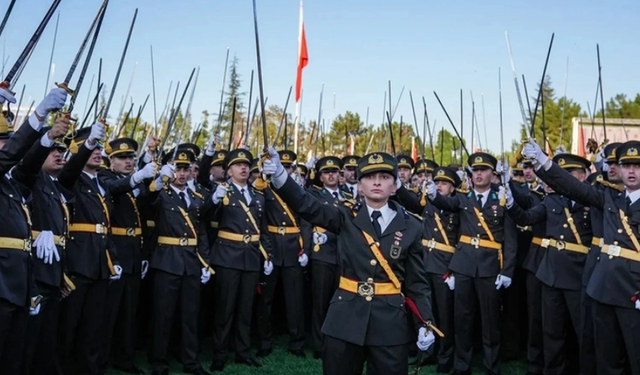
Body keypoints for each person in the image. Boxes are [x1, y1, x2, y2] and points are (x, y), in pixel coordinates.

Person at [264, 149, 437, 375]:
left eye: (384, 177)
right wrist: (280, 176)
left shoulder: (412, 226)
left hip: (389, 322)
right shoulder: (345, 216)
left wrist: (426, 322)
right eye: (369, 177)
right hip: (345, 318)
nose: (376, 182)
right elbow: (307, 205)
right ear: (359, 185)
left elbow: (417, 283)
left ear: (395, 186)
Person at [522, 138, 640, 374]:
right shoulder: (610, 197)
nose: (631, 171)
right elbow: (571, 186)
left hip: (633, 290)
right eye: (626, 166)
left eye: (637, 166)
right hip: (604, 288)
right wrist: (543, 161)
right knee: (607, 359)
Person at [426, 152, 517, 375]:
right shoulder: (463, 198)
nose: (478, 174)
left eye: (483, 170)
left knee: (490, 321)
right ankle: (461, 365)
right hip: (464, 266)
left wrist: (507, 271)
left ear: (491, 174)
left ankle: (491, 365)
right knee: (462, 319)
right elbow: (445, 202)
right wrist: (432, 195)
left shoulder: (502, 198)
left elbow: (511, 241)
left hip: (489, 267)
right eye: (475, 170)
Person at [0, 87, 67, 374]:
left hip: (17, 283)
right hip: (2, 282)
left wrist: (48, 136)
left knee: (14, 357)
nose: (7, 147)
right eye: (3, 142)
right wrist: (38, 114)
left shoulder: (10, 184)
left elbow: (25, 166)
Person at [506, 153, 593, 374]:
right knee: (551, 330)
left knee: (583, 331)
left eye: (569, 175)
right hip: (551, 273)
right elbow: (527, 218)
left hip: (579, 274)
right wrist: (510, 205)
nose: (561, 180)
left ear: (583, 177)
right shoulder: (552, 200)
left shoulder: (593, 200)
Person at [57, 120, 124, 375]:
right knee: (69, 324)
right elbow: (70, 170)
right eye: (92, 148)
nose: (98, 152)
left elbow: (105, 225)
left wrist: (113, 258)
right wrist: (88, 144)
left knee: (93, 325)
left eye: (99, 148)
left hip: (99, 261)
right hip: (78, 260)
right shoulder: (71, 178)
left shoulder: (101, 184)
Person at [141, 146, 211, 375]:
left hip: (190, 262)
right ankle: (159, 361)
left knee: (190, 315)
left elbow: (200, 233)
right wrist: (156, 183)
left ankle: (191, 360)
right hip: (166, 261)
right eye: (178, 169)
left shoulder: (196, 197)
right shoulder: (161, 193)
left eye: (186, 169)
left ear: (192, 171)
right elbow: (145, 203)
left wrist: (205, 263)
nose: (182, 174)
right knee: (163, 314)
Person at [12, 117, 72, 375]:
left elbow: (74, 170)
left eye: (61, 150)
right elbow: (27, 168)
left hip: (53, 265)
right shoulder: (31, 177)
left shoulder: (54, 185)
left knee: (46, 333)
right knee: (27, 336)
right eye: (52, 150)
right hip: (34, 265)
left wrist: (90, 143)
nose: (58, 154)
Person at [209, 149, 274, 372]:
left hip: (251, 257)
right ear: (229, 170)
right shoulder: (222, 192)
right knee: (225, 309)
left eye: (246, 165)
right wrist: (215, 199)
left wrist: (268, 254)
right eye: (238, 165)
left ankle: (242, 352)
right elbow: (206, 216)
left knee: (246, 309)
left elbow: (262, 228)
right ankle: (220, 354)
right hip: (228, 256)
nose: (244, 168)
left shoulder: (257, 195)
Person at [98, 137, 156, 373]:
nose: (129, 161)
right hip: (115, 252)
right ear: (111, 161)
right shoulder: (105, 177)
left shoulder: (134, 182)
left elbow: (144, 204)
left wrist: (156, 182)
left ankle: (125, 357)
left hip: (133, 252)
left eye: (131, 157)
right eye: (122, 158)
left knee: (129, 312)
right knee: (108, 312)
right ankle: (101, 359)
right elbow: (115, 188)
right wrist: (138, 177)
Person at [395, 166, 461, 373]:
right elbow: (412, 204)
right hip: (425, 263)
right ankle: (427, 353)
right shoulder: (428, 203)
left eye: (444, 183)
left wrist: (455, 269)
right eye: (437, 182)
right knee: (425, 313)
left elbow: (462, 241)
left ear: (452, 188)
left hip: (445, 266)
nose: (439, 186)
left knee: (444, 315)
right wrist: (398, 186)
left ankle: (445, 357)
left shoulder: (458, 207)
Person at [256, 149, 308, 358]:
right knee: (265, 299)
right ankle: (264, 341)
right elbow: (259, 219)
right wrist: (266, 251)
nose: (284, 170)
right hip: (272, 246)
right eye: (281, 166)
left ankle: (297, 343)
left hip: (294, 248)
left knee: (295, 300)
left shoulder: (296, 190)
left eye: (287, 167)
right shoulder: (264, 189)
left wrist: (305, 248)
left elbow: (305, 219)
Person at [302, 156, 347, 359]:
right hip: (323, 253)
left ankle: (337, 341)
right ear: (320, 176)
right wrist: (307, 249)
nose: (331, 175)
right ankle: (319, 345)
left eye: (334, 171)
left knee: (340, 302)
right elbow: (306, 220)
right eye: (327, 172)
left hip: (343, 254)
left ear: (340, 175)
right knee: (320, 302)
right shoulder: (315, 194)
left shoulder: (347, 195)